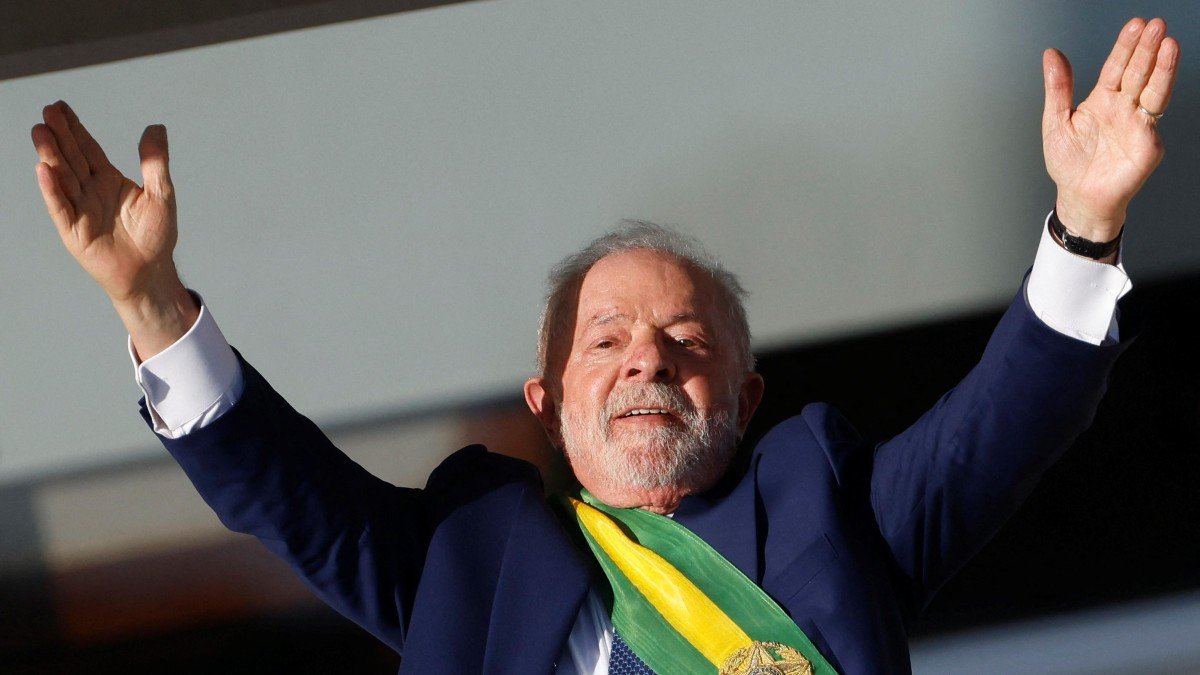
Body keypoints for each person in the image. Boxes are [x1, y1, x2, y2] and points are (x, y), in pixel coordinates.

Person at [31, 17, 1179, 675]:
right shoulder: (471, 562)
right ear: (545, 400)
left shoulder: (834, 513)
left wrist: (1085, 223)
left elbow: (1003, 422)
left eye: (686, 340)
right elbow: (287, 495)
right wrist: (151, 301)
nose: (649, 361)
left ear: (746, 396)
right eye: (608, 339)